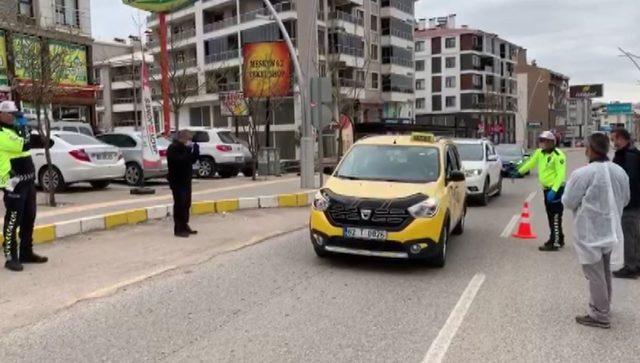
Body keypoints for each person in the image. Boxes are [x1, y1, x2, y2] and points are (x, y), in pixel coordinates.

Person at [562, 133, 629, 329]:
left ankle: (600, 315)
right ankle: (604, 306)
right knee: (605, 271)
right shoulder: (619, 171)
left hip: (589, 231)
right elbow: (626, 199)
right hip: (612, 229)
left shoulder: (583, 173)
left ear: (590, 149)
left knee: (594, 274)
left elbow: (568, 201)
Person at [0, 101, 47, 271]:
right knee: (13, 220)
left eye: (16, 114)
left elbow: (38, 142)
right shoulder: (1, 132)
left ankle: (26, 252)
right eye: (11, 114)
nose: (15, 117)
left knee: (29, 218)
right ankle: (10, 256)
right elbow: (24, 145)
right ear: (1, 114)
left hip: (27, 182)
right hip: (13, 184)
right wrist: (25, 127)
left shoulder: (15, 129)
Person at [516, 131, 567, 251]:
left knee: (555, 216)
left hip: (556, 190)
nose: (541, 143)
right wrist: (519, 171)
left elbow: (560, 175)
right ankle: (559, 238)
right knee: (550, 214)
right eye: (540, 140)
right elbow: (530, 163)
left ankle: (554, 242)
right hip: (546, 189)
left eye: (543, 141)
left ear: (551, 142)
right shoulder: (540, 153)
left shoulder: (558, 155)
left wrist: (554, 190)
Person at [610, 128, 640, 279]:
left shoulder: (628, 157)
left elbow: (629, 180)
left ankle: (631, 266)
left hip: (631, 202)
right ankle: (636, 263)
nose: (613, 143)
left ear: (622, 139)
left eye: (615, 139)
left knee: (629, 234)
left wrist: (623, 199)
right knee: (635, 234)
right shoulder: (632, 153)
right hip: (634, 201)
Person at [167, 130, 199, 238]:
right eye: (188, 139)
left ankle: (185, 225)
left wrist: (195, 151)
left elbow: (191, 160)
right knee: (179, 204)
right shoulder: (173, 148)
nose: (189, 141)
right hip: (177, 181)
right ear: (183, 138)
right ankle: (178, 228)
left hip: (186, 180)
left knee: (186, 203)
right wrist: (188, 151)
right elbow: (179, 161)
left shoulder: (185, 148)